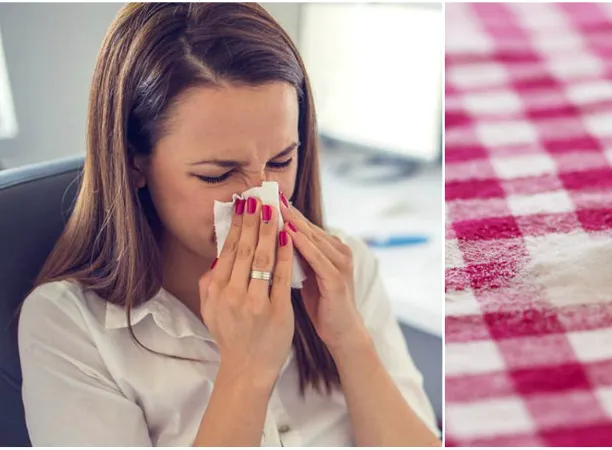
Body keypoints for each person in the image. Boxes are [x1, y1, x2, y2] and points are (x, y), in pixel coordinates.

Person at [17, 3, 441, 447]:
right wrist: (247, 370)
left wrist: (350, 341)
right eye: (217, 175)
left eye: (282, 160)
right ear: (134, 163)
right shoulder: (68, 327)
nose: (261, 197)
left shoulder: (342, 271)